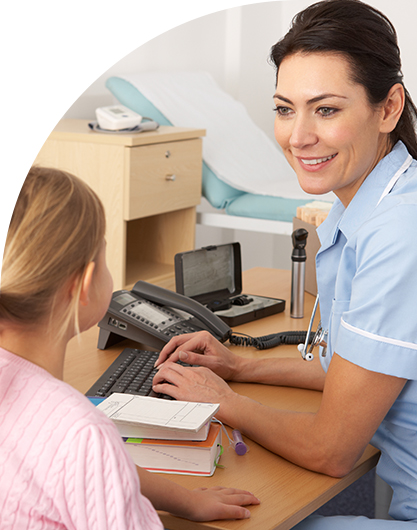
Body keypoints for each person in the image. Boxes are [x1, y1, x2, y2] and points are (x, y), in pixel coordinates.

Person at [153, 0, 417, 527]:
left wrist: (224, 400)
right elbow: (350, 370)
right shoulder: (369, 206)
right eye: (283, 109)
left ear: (388, 108)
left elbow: (331, 450)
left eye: (326, 109)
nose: (297, 137)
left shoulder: (400, 232)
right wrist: (240, 366)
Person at [0, 166, 260, 529]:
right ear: (85, 284)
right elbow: (88, 454)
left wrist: (184, 500)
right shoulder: (82, 435)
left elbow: (94, 466)